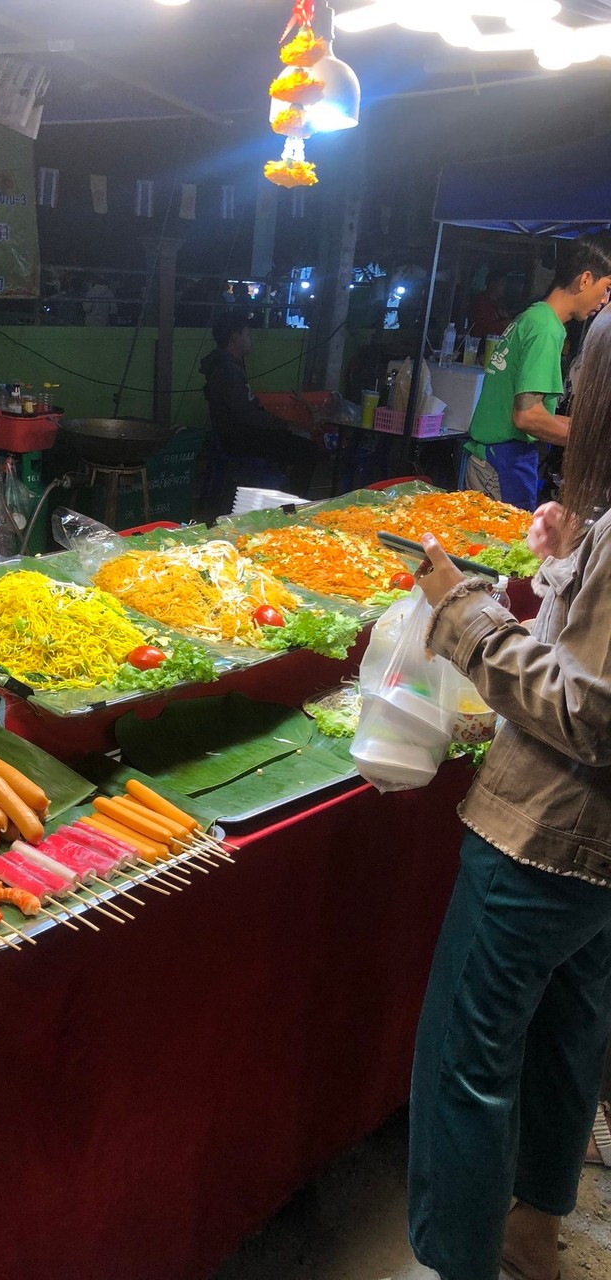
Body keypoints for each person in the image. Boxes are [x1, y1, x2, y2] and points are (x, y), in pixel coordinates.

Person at [406, 317, 611, 1280]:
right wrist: (570, 557)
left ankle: (459, 1260)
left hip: (548, 837)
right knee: (572, 1028)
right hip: (600, 859)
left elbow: (586, 710)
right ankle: (533, 1228)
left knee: (467, 1058)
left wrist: (461, 607)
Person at [463, 233, 611, 512]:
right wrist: (590, 441)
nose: (604, 300)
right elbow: (528, 416)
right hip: (501, 463)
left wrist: (588, 428)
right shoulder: (546, 329)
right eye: (607, 288)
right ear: (585, 279)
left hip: (492, 458)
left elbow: (534, 412)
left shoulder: (533, 316)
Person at [198, 313, 318, 496]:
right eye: (247, 334)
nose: (250, 339)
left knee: (295, 440)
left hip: (234, 434)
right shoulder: (228, 371)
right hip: (239, 439)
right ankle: (293, 501)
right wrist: (286, 425)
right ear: (234, 338)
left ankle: (285, 493)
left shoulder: (225, 366)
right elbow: (249, 416)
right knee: (308, 449)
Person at [469, 268, 511, 339]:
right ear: (492, 284)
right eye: (502, 283)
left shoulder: (500, 304)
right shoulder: (481, 302)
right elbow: (483, 329)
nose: (505, 287)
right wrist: (505, 324)